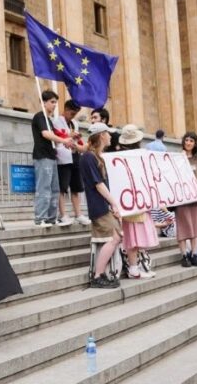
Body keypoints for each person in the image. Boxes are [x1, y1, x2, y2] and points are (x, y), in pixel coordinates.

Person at [80, 122, 122, 288]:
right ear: (101, 135)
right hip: (99, 205)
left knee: (114, 238)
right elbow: (98, 184)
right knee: (114, 238)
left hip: (103, 205)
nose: (111, 136)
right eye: (108, 133)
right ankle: (98, 275)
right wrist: (114, 203)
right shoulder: (89, 157)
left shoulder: (95, 157)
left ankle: (100, 273)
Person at [117, 125, 158, 279]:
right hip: (132, 202)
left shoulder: (125, 157)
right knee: (133, 238)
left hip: (133, 201)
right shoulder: (131, 157)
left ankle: (137, 266)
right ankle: (134, 268)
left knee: (135, 238)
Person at [32, 90, 73, 227]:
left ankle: (51, 217)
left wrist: (70, 139)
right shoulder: (40, 117)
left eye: (56, 102)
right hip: (42, 156)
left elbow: (57, 139)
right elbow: (46, 134)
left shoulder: (49, 120)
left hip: (51, 156)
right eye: (52, 102)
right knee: (44, 187)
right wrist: (63, 139)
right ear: (43, 103)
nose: (55, 105)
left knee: (55, 188)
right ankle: (40, 218)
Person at [52, 100, 90, 226]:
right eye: (72, 113)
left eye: (75, 114)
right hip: (63, 157)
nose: (73, 116)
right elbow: (58, 135)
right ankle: (63, 214)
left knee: (76, 187)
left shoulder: (74, 123)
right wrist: (70, 134)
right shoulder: (57, 121)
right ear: (66, 109)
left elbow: (76, 140)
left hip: (75, 155)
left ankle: (78, 214)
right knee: (62, 188)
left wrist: (77, 138)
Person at [175, 132, 197, 267]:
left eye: (191, 141)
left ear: (195, 144)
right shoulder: (177, 157)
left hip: (194, 196)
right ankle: (184, 255)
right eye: (186, 140)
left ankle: (194, 254)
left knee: (196, 225)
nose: (188, 143)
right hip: (182, 196)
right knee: (183, 226)